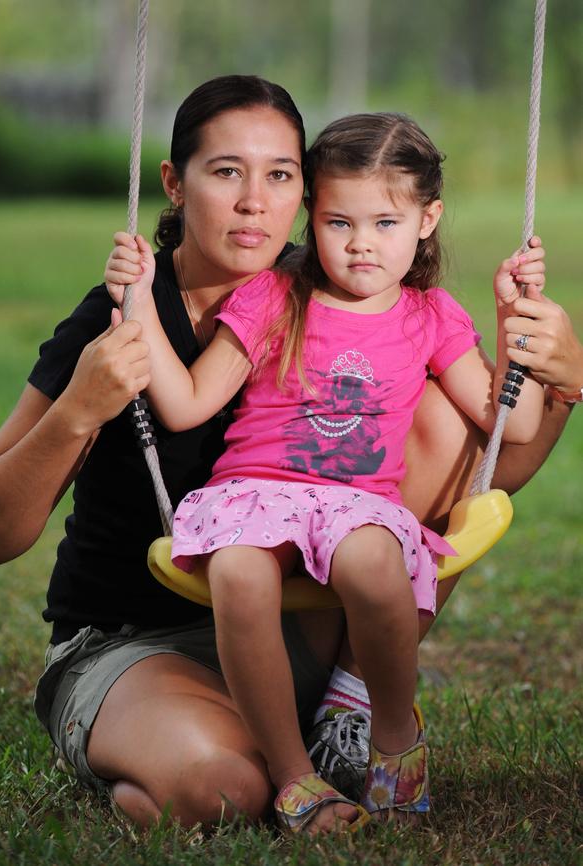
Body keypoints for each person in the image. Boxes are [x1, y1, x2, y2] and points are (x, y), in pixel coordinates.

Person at [0, 75, 581, 831]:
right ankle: (177, 752)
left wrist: (564, 384)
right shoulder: (122, 318)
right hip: (134, 640)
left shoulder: (339, 292)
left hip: (296, 625)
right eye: (225, 172)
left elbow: (482, 482)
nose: (255, 201)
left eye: (279, 175)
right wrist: (82, 407)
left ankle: (350, 708)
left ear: (304, 194)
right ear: (174, 185)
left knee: (438, 419)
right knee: (228, 793)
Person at [104, 111, 547, 833]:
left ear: (427, 219)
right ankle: (292, 776)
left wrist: (510, 319)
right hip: (252, 494)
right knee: (239, 573)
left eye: (385, 222)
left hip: (355, 503)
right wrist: (139, 300)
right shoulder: (275, 297)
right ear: (313, 217)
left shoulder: (430, 315)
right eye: (339, 222)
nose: (361, 244)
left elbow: (516, 424)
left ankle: (393, 737)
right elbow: (184, 406)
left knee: (376, 564)